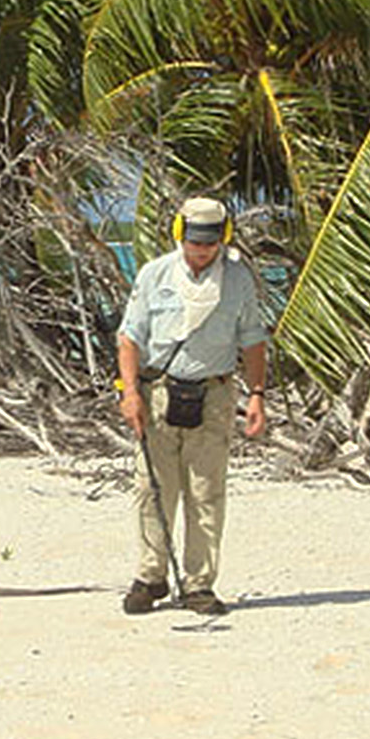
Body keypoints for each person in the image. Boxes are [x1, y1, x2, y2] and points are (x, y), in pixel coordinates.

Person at [114, 196, 268, 616]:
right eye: (195, 241)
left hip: (215, 395)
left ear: (224, 238)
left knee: (206, 492)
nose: (202, 250)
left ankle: (199, 585)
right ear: (180, 234)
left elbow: (253, 339)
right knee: (153, 489)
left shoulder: (238, 280)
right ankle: (151, 577)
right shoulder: (154, 275)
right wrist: (130, 393)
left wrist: (256, 394)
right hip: (159, 393)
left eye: (210, 242)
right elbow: (129, 338)